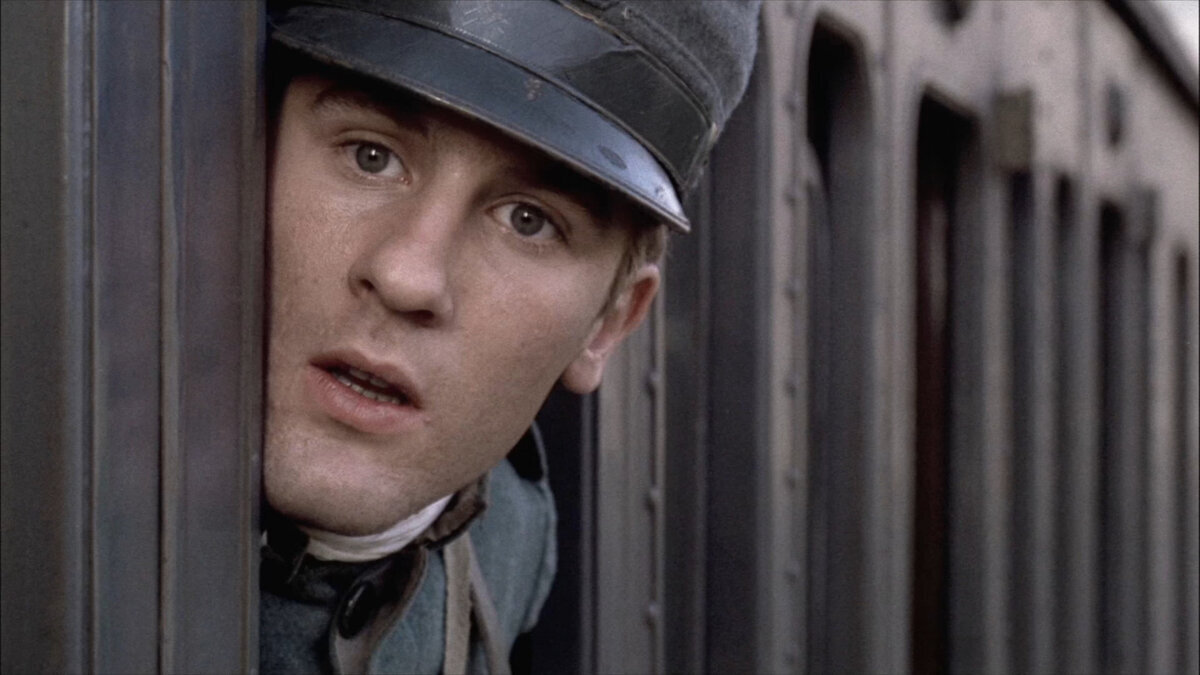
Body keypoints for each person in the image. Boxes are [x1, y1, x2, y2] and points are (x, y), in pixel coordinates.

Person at [258, 1, 760, 672]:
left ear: (608, 325)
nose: (408, 277)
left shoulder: (511, 543)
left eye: (529, 220)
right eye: (371, 157)